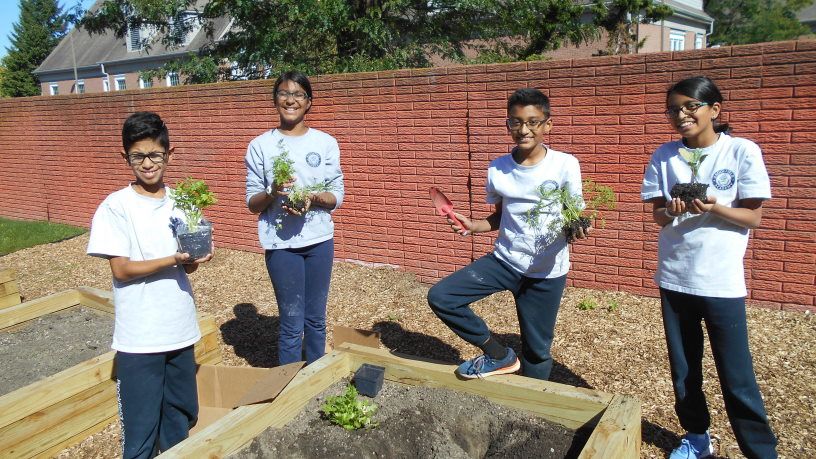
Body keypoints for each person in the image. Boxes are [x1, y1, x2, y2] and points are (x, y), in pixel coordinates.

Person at [641, 76, 777, 459]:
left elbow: (753, 218)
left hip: (721, 283)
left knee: (737, 376)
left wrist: (714, 206)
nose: (681, 115)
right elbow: (657, 216)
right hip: (675, 278)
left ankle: (761, 450)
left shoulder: (741, 151)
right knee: (685, 370)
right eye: (673, 110)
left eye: (690, 106)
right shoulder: (664, 156)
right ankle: (697, 437)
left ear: (714, 110)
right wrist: (672, 209)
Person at [427, 88, 588, 380]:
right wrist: (473, 225)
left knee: (537, 350)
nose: (524, 129)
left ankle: (531, 408)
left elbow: (574, 214)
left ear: (547, 124)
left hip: (545, 271)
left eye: (533, 121)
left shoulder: (566, 164)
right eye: (516, 122)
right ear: (508, 125)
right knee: (442, 296)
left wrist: (577, 227)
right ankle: (499, 355)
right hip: (505, 261)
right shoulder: (498, 168)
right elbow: (501, 216)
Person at [86, 111, 213, 459]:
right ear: (125, 157)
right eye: (138, 155)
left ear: (170, 155)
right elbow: (122, 270)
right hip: (140, 337)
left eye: (155, 154)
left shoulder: (183, 202)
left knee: (180, 417)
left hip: (179, 327)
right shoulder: (116, 207)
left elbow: (187, 269)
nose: (147, 163)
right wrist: (174, 258)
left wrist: (191, 260)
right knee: (141, 432)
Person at [245, 71, 344, 366]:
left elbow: (336, 193)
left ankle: (315, 376)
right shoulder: (260, 146)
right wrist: (273, 191)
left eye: (299, 94)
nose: (291, 100)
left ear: (309, 102)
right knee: (290, 321)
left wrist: (313, 198)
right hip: (280, 244)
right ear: (275, 100)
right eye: (284, 93)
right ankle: (287, 384)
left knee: (315, 319)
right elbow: (252, 203)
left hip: (319, 240)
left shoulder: (325, 143)